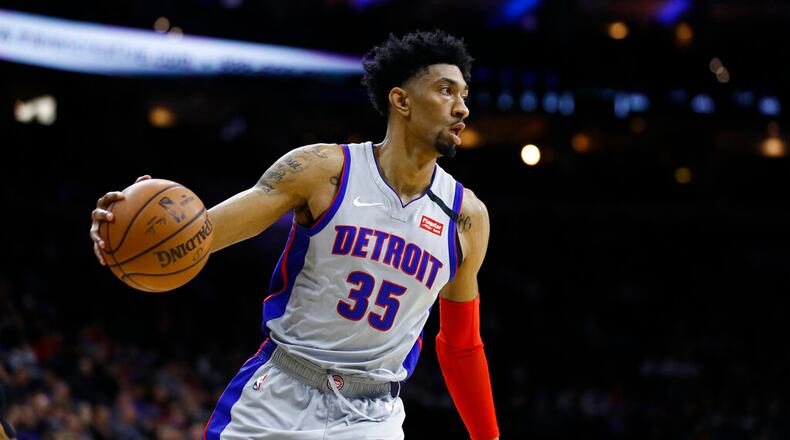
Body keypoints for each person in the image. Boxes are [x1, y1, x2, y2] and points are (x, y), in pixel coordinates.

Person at [90, 30, 499, 440]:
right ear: (401, 100)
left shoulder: (466, 217)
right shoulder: (322, 170)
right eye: (446, 90)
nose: (462, 108)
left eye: (464, 94)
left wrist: (488, 436)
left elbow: (461, 344)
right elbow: (201, 235)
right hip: (282, 392)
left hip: (372, 416)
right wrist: (143, 223)